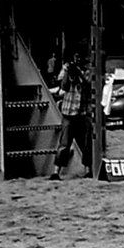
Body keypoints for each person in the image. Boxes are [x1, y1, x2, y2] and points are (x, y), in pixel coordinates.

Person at [49, 51, 93, 181]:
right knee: (64, 143)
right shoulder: (66, 68)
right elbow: (63, 86)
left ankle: (88, 170)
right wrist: (68, 73)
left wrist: (79, 73)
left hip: (83, 111)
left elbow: (87, 84)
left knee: (86, 143)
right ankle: (56, 171)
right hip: (69, 112)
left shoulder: (88, 70)